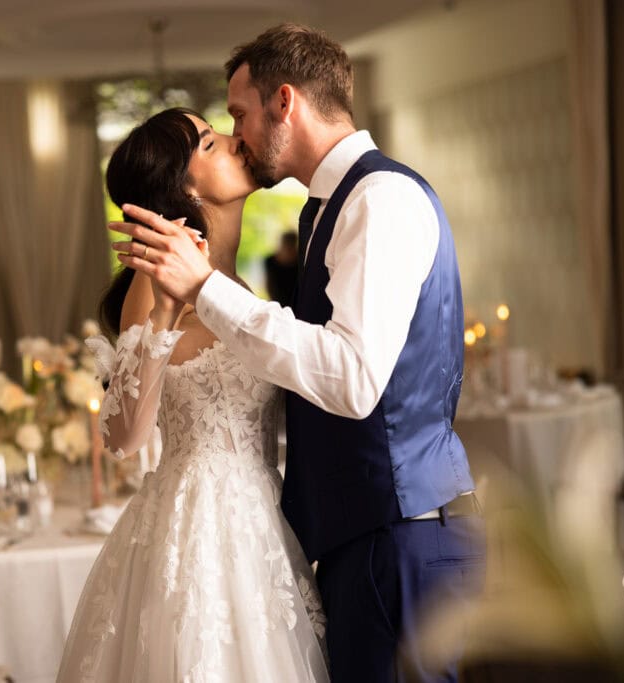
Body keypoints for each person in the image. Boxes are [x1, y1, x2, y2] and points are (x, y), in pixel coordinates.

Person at [109, 24, 485, 683]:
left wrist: (205, 288)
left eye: (238, 115)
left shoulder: (378, 200)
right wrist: (180, 297)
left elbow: (353, 378)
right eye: (219, 130)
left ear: (284, 103)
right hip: (301, 539)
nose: (237, 136)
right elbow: (125, 428)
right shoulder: (323, 214)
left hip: (393, 533)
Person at [57, 108, 328, 683]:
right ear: (184, 184)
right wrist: (160, 310)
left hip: (265, 521)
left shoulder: (237, 285)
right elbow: (124, 437)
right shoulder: (153, 281)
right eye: (211, 141)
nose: (236, 142)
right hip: (195, 525)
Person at [264, 230, 299, 307]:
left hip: (295, 304)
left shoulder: (300, 262)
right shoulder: (270, 261)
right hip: (278, 303)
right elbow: (269, 285)